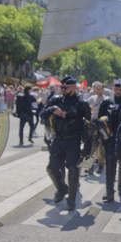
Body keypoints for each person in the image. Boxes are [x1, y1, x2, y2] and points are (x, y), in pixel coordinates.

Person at [40, 76, 90, 210]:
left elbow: (89, 125)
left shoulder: (81, 103)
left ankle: (71, 199)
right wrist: (51, 110)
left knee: (73, 170)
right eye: (61, 87)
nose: (62, 89)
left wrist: (87, 146)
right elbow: (42, 114)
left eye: (65, 87)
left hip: (73, 139)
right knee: (52, 168)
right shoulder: (55, 100)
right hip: (58, 138)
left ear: (74, 87)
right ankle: (62, 189)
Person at [97, 79, 121, 203]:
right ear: (113, 88)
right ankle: (109, 191)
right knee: (110, 165)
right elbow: (100, 119)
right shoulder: (106, 102)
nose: (119, 90)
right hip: (109, 139)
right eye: (117, 87)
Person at [86, 81, 107, 175]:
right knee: (91, 147)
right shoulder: (91, 99)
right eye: (96, 88)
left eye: (100, 88)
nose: (98, 90)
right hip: (92, 125)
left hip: (102, 126)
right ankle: (89, 167)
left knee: (101, 148)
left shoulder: (107, 100)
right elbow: (86, 110)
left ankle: (101, 166)